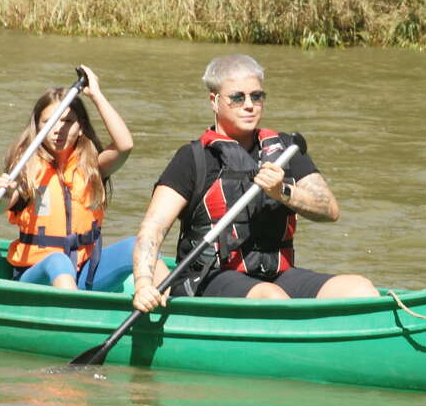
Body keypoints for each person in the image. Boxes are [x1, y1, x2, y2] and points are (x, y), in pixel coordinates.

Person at [130, 53, 378, 312]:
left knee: (360, 289)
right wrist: (144, 284)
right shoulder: (193, 159)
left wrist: (283, 192)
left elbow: (330, 210)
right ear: (215, 101)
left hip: (276, 275)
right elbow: (152, 229)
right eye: (237, 98)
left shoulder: (286, 150)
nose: (249, 105)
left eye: (257, 96)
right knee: (271, 297)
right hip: (207, 278)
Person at [0, 66, 164, 291]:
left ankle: (171, 309)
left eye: (67, 121)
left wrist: (96, 96)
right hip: (37, 275)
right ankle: (72, 315)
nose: (58, 130)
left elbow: (125, 145)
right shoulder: (26, 168)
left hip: (85, 271)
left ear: (81, 127)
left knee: (141, 245)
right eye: (49, 122)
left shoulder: (92, 168)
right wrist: (6, 192)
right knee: (58, 259)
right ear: (37, 127)